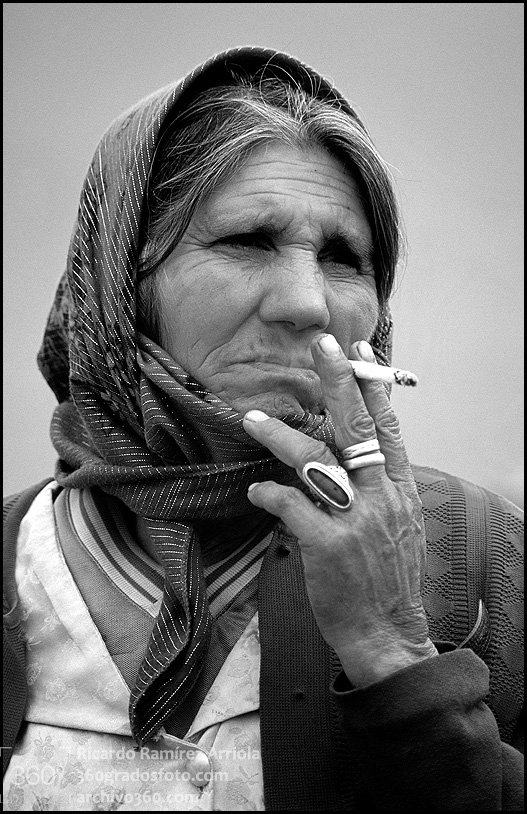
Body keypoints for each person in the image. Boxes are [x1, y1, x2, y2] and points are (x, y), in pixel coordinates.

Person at [2, 45, 523, 811]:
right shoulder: (16, 558)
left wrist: (394, 650)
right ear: (120, 283)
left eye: (344, 257)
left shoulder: (481, 553)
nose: (307, 304)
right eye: (247, 241)